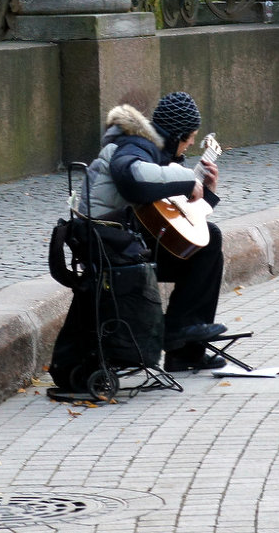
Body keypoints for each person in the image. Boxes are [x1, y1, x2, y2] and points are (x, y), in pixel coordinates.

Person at [79, 92, 227, 372]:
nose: (193, 143)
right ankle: (180, 340)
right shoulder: (135, 145)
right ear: (177, 135)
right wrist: (183, 180)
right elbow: (131, 179)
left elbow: (172, 215)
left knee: (206, 240)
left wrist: (206, 193)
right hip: (110, 243)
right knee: (208, 242)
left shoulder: (155, 152)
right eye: (190, 137)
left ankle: (184, 346)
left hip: (127, 237)